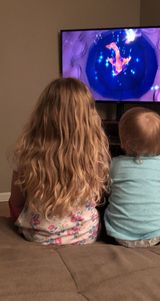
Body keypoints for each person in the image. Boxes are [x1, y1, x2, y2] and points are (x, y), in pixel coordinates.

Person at [8, 77, 110, 245]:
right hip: (85, 235)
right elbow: (95, 195)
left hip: (38, 236)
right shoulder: (96, 153)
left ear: (43, 114)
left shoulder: (27, 154)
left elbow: (15, 204)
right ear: (88, 117)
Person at [104, 107, 160, 248]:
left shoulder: (115, 165)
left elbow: (108, 190)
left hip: (118, 236)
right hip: (156, 235)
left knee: (103, 204)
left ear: (124, 142)